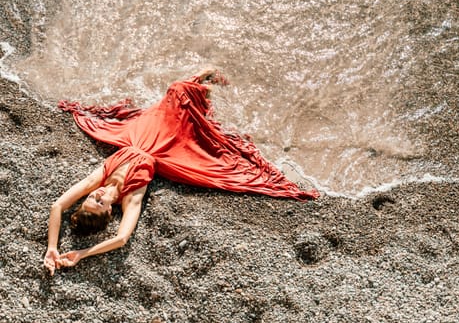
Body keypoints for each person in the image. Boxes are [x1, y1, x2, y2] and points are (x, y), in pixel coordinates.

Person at [44, 69, 319, 275]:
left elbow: (58, 205)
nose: (99, 195)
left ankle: (208, 85)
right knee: (182, 95)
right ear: (107, 212)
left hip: (138, 136)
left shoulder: (98, 180)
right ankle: (210, 87)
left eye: (92, 198)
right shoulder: (131, 198)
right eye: (100, 203)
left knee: (176, 92)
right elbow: (121, 238)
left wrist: (52, 248)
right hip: (164, 147)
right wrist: (82, 254)